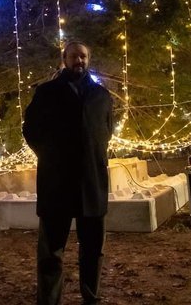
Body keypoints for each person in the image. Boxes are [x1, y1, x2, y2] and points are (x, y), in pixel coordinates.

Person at [23, 41, 113, 305]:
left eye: (83, 56)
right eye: (73, 56)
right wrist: (50, 157)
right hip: (56, 184)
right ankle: (49, 301)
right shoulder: (46, 92)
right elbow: (31, 130)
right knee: (51, 252)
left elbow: (106, 132)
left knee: (93, 249)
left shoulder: (101, 96)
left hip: (92, 184)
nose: (79, 61)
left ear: (89, 59)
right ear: (64, 59)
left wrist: (93, 155)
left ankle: (91, 296)